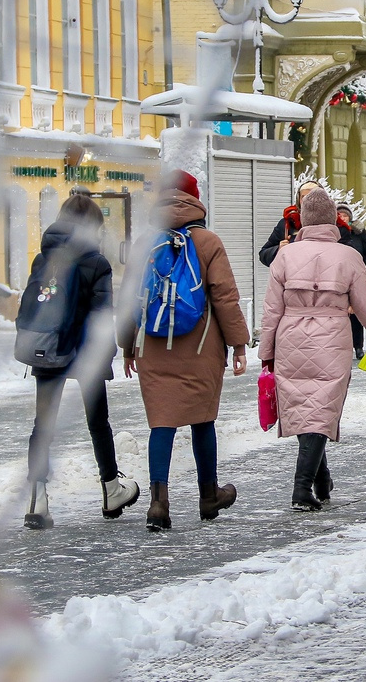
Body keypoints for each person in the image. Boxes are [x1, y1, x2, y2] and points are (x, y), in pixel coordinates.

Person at [118, 171, 250, 531]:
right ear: (195, 199)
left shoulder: (145, 242)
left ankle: (158, 504)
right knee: (202, 418)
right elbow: (225, 297)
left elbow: (129, 300)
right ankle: (208, 495)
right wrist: (239, 343)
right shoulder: (208, 241)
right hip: (200, 345)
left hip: (153, 346)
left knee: (161, 422)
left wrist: (127, 345)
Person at [260, 188, 366, 510]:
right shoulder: (348, 256)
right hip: (332, 338)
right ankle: (301, 489)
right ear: (333, 220)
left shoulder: (286, 255)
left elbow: (271, 309)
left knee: (308, 408)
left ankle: (321, 478)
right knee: (320, 409)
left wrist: (266, 351)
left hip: (290, 336)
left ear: (303, 221)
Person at [20, 193, 140, 530]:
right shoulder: (96, 261)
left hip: (49, 347)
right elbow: (102, 314)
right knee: (98, 422)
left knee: (43, 425)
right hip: (84, 352)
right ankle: (111, 489)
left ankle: (37, 498)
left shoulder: (44, 258)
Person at [336, 201, 366, 360]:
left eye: (345, 215)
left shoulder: (359, 232)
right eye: (339, 215)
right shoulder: (333, 232)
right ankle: (342, 347)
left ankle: (358, 346)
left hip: (359, 276)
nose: (342, 217)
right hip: (338, 278)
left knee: (357, 313)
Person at [260, 180, 331, 267]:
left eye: (313, 197)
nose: (309, 201)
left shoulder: (335, 225)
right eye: (304, 197)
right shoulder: (287, 223)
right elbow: (263, 254)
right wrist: (278, 250)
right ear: (298, 200)